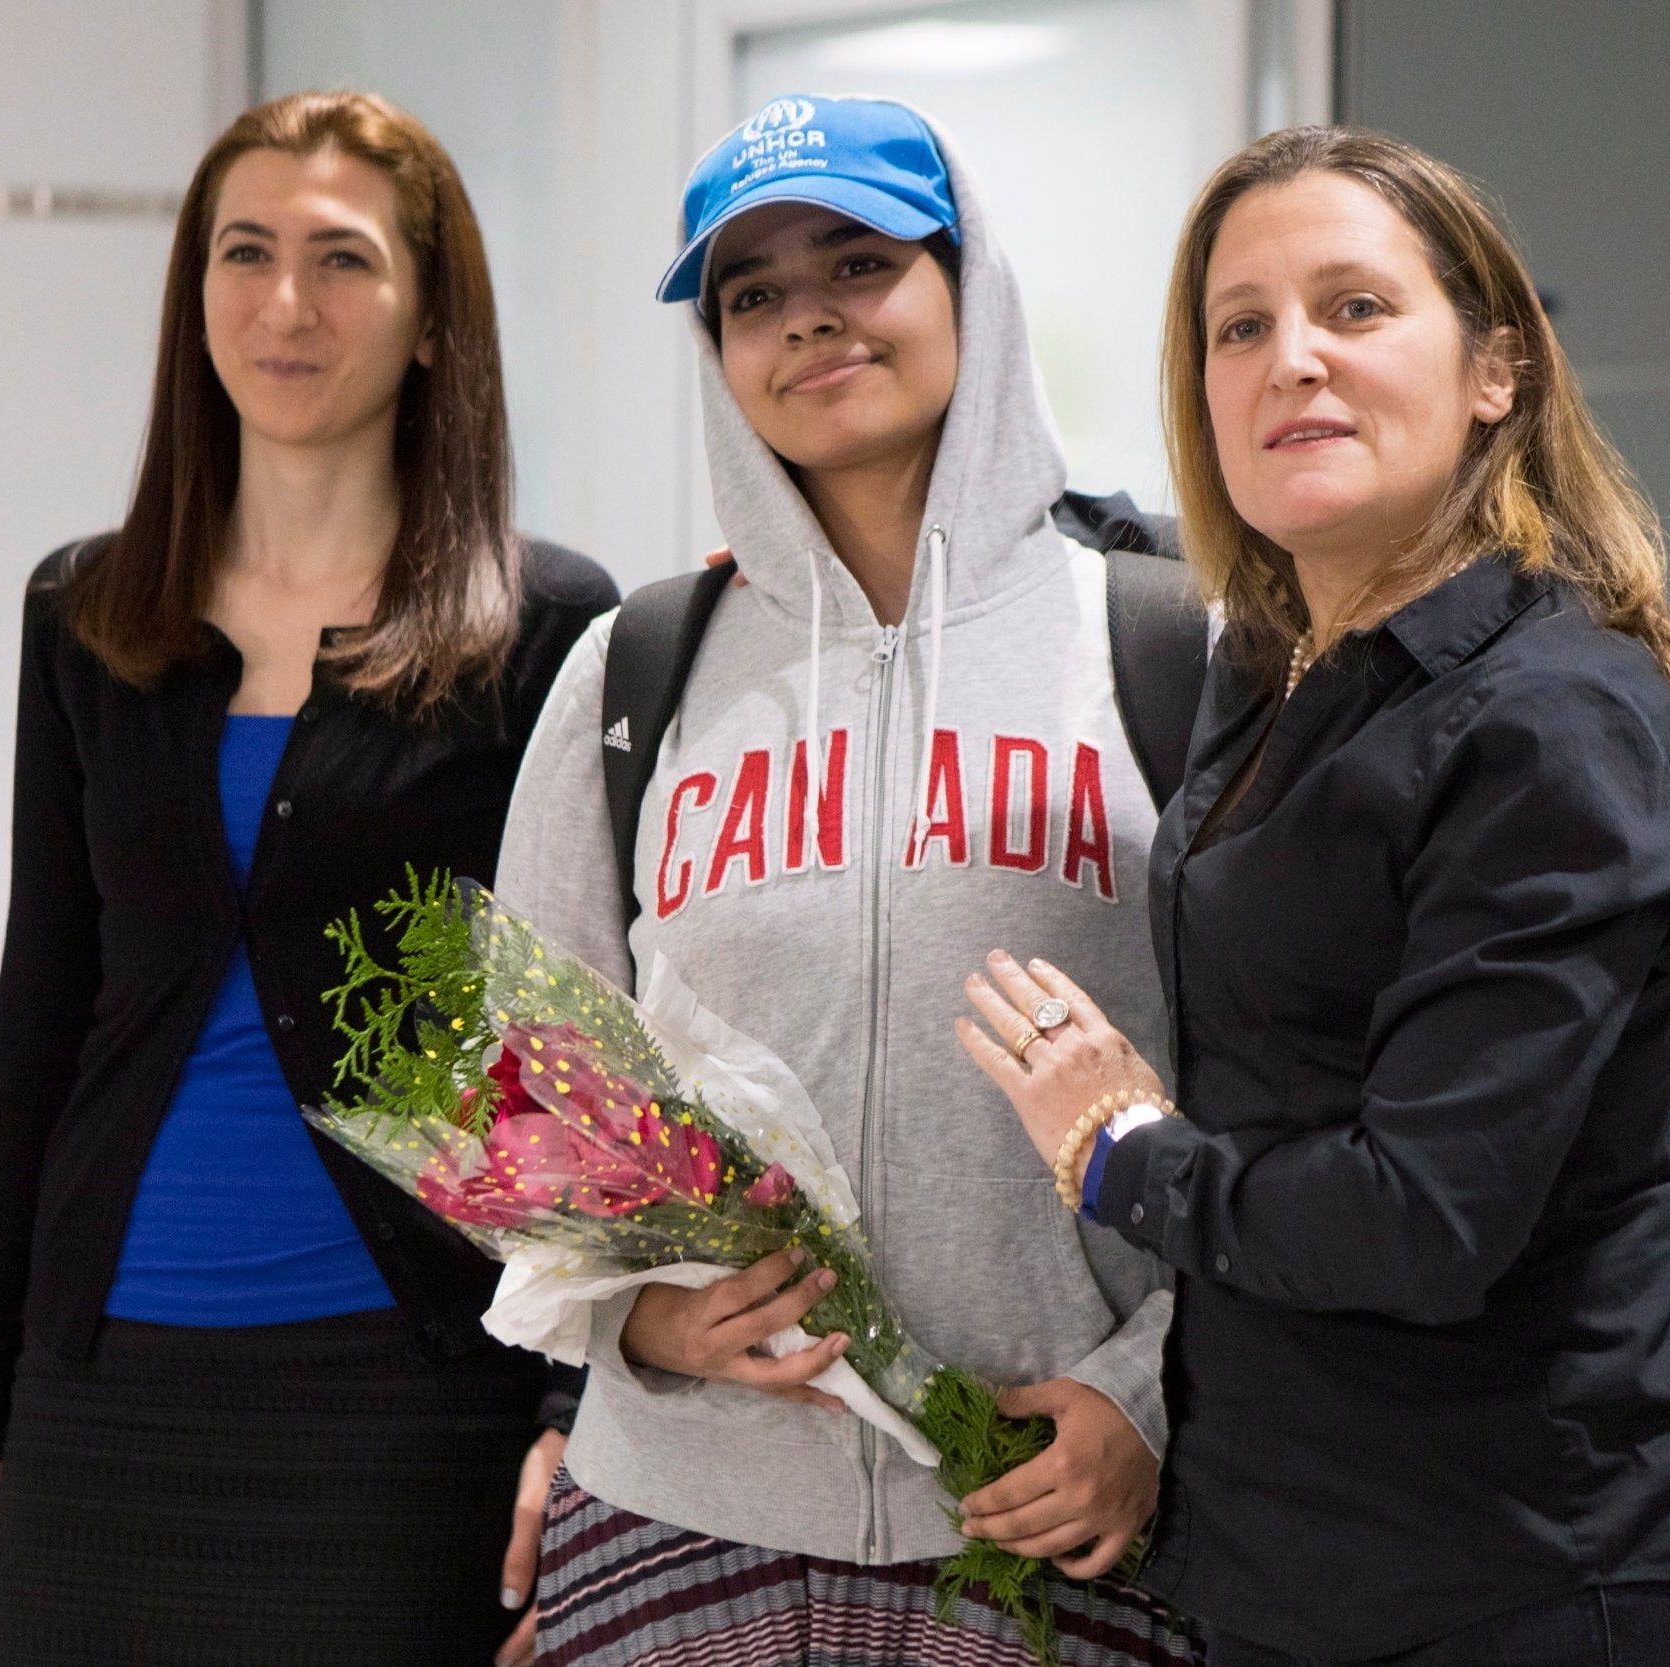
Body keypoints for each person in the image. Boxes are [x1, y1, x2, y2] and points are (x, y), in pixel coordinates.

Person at [961, 126, 1670, 1667]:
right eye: (1241, 326)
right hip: (1300, 1564)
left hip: (1553, 1581)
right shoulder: (1276, 664)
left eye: (1353, 309)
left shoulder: (1548, 720)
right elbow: (1116, 537)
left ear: (1495, 372)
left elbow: (1418, 1220)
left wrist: (1117, 1151)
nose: (1292, 359)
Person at [0, 91, 615, 1667]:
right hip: (104, 1378)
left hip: (407, 1380)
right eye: (245, 252)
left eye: (344, 260)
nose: (285, 304)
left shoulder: (548, 628)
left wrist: (574, 1410)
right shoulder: (88, 614)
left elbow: (572, 1047)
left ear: (435, 320)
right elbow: (49, 1012)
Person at [495, 95, 1195, 1667]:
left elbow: (1289, 1088)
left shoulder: (1162, 643)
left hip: (1044, 1519)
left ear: (968, 288)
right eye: (750, 294)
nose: (806, 314)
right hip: (677, 1522)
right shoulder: (637, 671)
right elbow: (528, 1083)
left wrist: (1145, 1395)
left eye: (859, 259)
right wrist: (635, 1320)